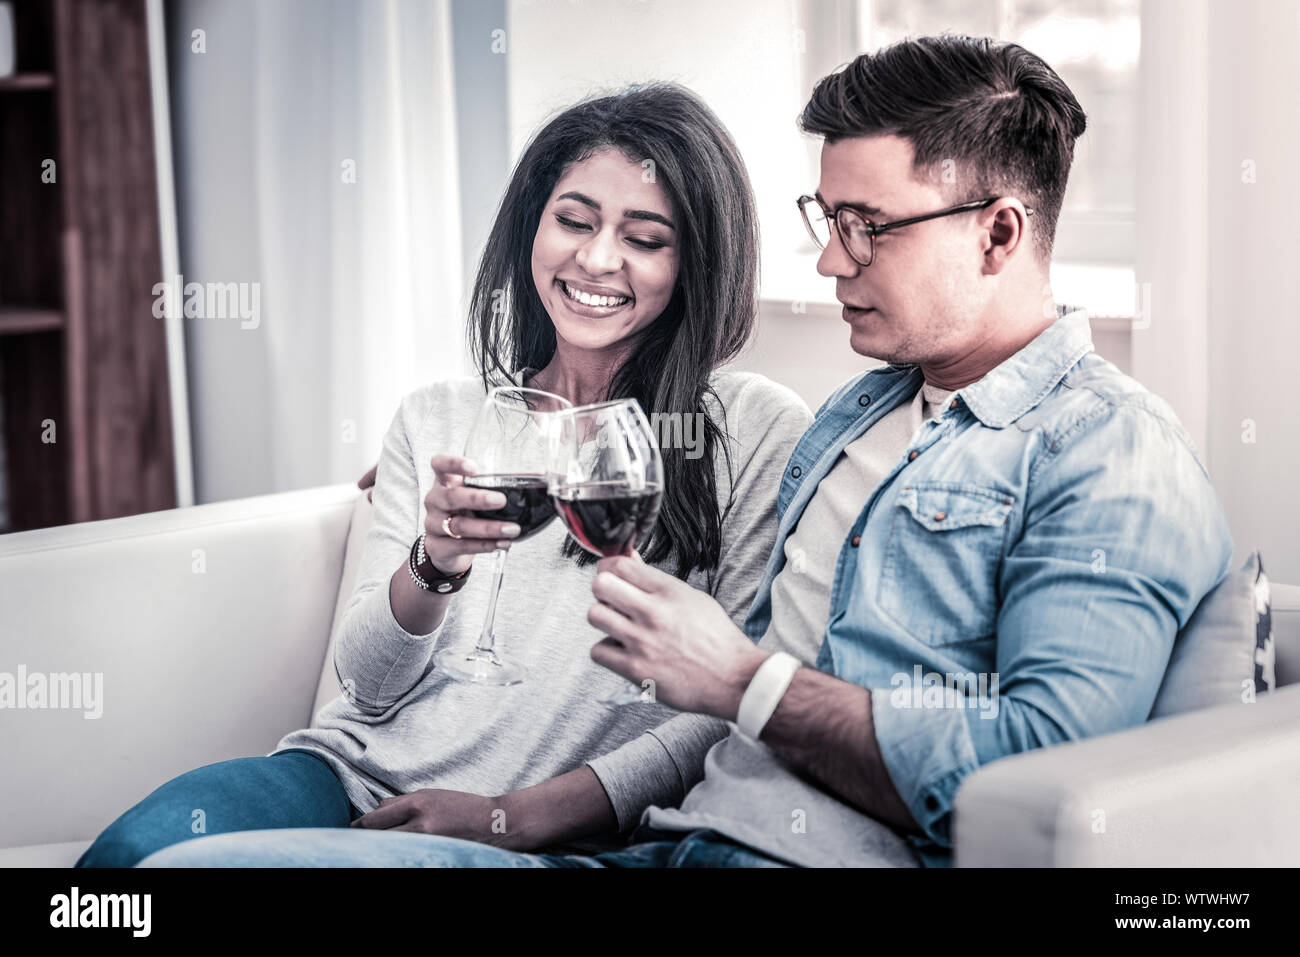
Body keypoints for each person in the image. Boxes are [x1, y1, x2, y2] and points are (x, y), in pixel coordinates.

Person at [140, 35, 1234, 869]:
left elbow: (1042, 778)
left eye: (867, 226)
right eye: (825, 215)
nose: (826, 258)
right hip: (672, 843)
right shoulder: (855, 417)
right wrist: (426, 557)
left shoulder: (1106, 452)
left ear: (998, 232)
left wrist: (744, 686)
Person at [76, 82, 812, 867]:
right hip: (345, 773)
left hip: (548, 836)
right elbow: (366, 688)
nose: (597, 258)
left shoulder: (756, 428)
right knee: (127, 860)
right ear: (532, 226)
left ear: (696, 261)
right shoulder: (437, 414)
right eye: (573, 220)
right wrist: (434, 563)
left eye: (646, 237)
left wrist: (512, 816)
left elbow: (731, 708)